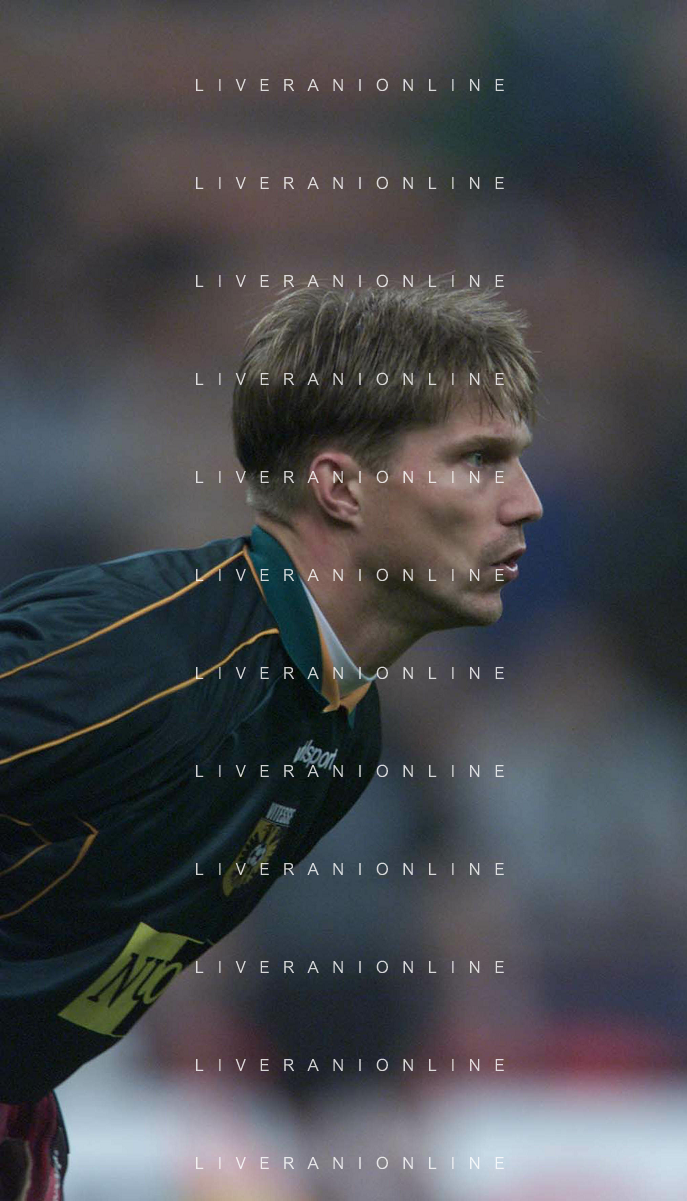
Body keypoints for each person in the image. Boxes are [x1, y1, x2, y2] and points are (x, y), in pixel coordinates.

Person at [0, 285, 542, 1199]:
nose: (525, 502)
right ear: (340, 487)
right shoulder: (149, 654)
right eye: (479, 460)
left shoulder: (345, 731)